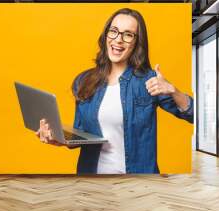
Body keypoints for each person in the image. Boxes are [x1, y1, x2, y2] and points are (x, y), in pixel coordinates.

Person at [36, 8, 193, 174]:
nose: (118, 40)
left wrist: (173, 91)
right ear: (106, 35)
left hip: (137, 183)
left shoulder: (149, 80)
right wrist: (59, 139)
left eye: (128, 34)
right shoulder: (84, 81)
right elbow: (81, 136)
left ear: (137, 43)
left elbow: (192, 115)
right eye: (114, 31)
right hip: (92, 181)